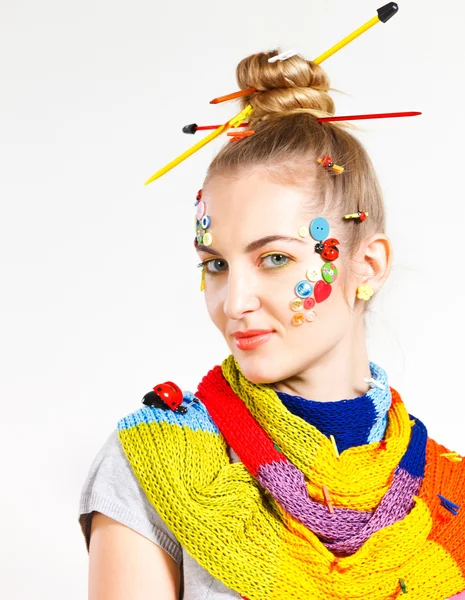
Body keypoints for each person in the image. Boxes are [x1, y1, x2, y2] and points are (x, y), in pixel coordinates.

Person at [78, 48, 465, 600]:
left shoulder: (449, 496)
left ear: (369, 265)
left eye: (275, 259)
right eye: (215, 264)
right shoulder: (157, 461)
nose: (234, 302)